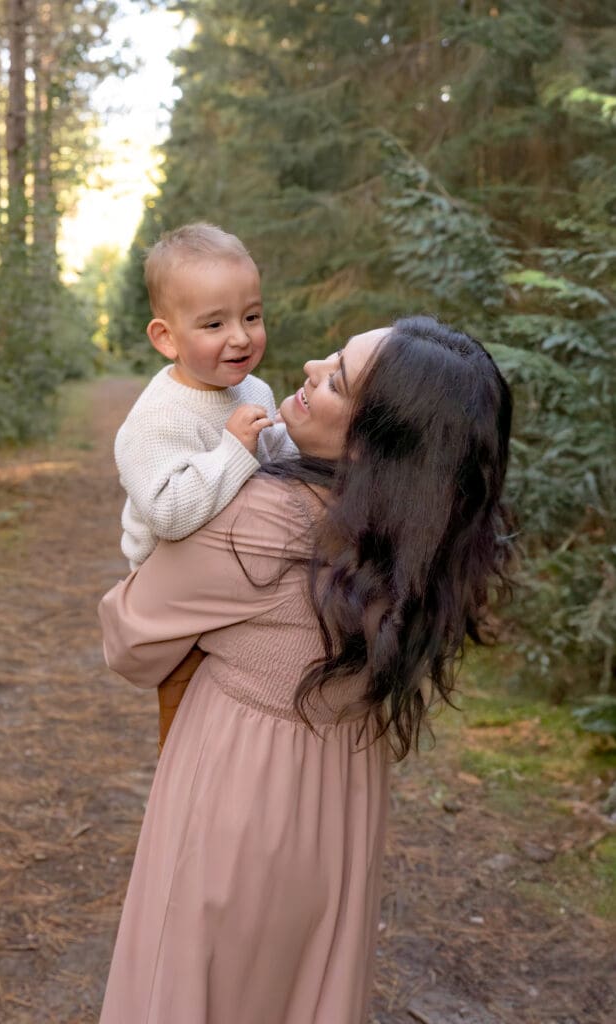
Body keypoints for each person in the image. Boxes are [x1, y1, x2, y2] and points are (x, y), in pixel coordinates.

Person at [98, 316, 513, 1024]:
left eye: (337, 379)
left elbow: (130, 638)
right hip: (342, 794)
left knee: (196, 982)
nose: (311, 366)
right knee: (300, 988)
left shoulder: (261, 518)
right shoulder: (426, 541)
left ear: (374, 441)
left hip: (239, 794)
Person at [113, 222, 296, 745]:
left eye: (251, 316)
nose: (240, 336)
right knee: (190, 730)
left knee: (242, 723)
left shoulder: (251, 388)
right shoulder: (155, 420)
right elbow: (168, 516)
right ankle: (189, 810)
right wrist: (233, 450)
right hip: (177, 609)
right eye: (214, 324)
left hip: (236, 587)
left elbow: (281, 460)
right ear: (166, 337)